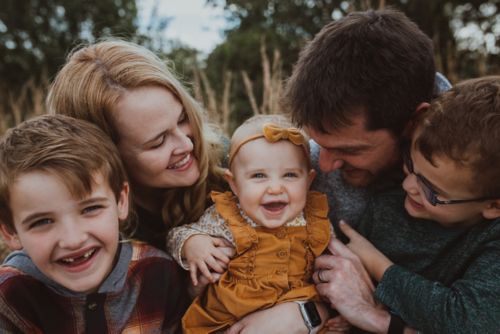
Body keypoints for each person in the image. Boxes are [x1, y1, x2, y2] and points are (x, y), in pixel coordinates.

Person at [227, 8, 451, 333]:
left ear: (414, 122)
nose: (325, 165)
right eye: (319, 144)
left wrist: (374, 308)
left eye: (349, 150)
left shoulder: (478, 177)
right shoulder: (304, 165)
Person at [314, 76, 500, 333]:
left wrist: (378, 265)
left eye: (431, 189)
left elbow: (468, 321)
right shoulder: (388, 206)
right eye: (410, 165)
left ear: (494, 206)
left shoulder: (493, 239)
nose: (407, 186)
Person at [0, 115, 190, 333]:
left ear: (121, 201)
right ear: (10, 231)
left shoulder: (158, 273)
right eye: (42, 222)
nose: (73, 240)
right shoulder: (9, 296)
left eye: (90, 209)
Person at [46, 39, 228, 252]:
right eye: (158, 142)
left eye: (182, 119)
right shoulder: (89, 227)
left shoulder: (234, 164)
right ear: (110, 157)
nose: (186, 144)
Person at [168, 115, 332, 333]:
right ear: (234, 184)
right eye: (259, 176)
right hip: (227, 319)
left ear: (308, 181)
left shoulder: (314, 221)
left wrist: (338, 310)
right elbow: (176, 235)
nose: (275, 188)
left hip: (293, 316)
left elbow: (332, 272)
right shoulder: (227, 217)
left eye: (290, 175)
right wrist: (193, 243)